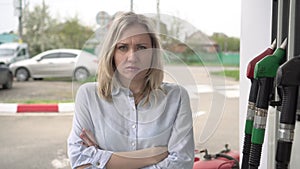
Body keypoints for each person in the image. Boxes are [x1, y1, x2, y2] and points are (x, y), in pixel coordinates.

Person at [67, 11, 195, 169]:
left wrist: (104, 158)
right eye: (122, 47)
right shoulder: (88, 96)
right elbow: (79, 161)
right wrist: (151, 156)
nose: (132, 57)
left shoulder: (176, 97)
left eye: (141, 47)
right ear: (111, 52)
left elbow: (181, 163)